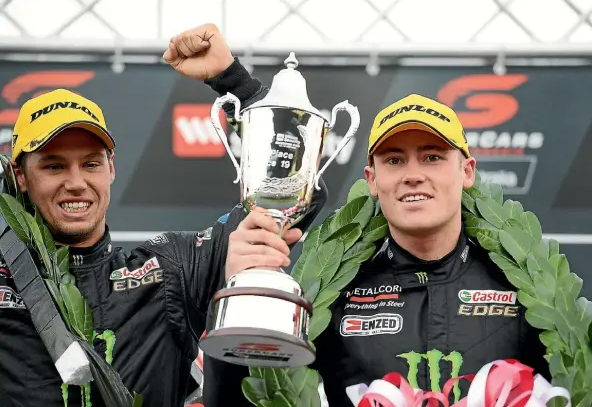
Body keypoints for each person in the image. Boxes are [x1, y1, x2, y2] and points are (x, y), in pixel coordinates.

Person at [196, 30, 550, 406]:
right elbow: (237, 402)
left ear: (467, 171)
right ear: (373, 180)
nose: (413, 173)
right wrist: (238, 296)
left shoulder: (530, 292)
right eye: (394, 160)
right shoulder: (329, 295)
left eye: (432, 156)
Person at [0, 24, 328, 407]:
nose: (76, 183)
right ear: (20, 176)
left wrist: (236, 82)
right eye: (54, 167)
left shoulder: (171, 267)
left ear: (111, 169)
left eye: (90, 164)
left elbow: (297, 189)